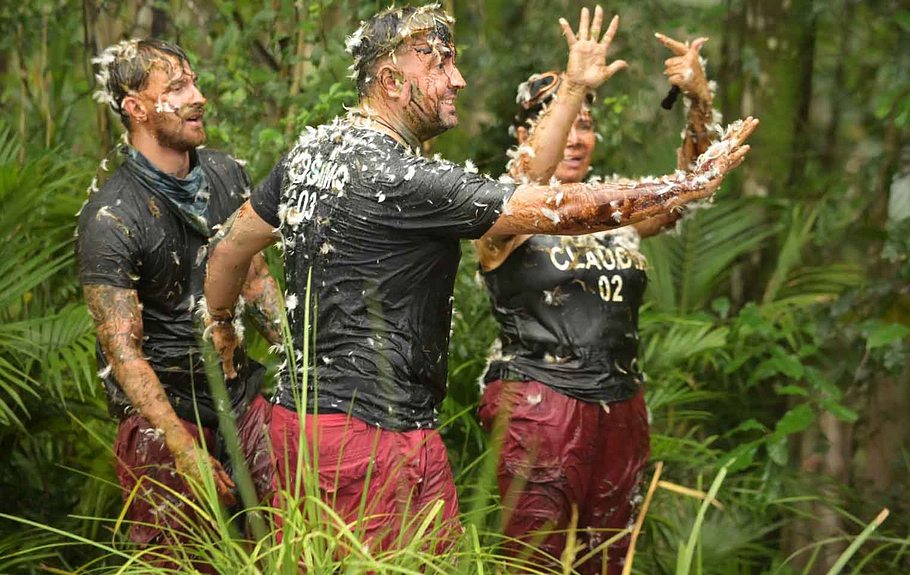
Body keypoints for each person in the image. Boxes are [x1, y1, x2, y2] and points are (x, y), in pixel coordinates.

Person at [203, 3, 756, 554]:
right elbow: (560, 209)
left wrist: (224, 324)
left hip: (346, 424)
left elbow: (230, 249)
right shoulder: (405, 176)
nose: (458, 79)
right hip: (369, 439)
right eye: (440, 65)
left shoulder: (309, 155)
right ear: (392, 80)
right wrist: (683, 184)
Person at [474, 17, 723, 574]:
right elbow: (528, 181)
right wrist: (575, 84)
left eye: (587, 122)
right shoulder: (502, 210)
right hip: (538, 403)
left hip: (620, 405)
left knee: (610, 560)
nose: (576, 135)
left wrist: (700, 103)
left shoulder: (616, 212)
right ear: (524, 136)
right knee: (529, 561)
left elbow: (690, 191)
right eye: (561, 120)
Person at [77, 39, 281, 558]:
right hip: (162, 415)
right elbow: (123, 352)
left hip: (239, 396)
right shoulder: (111, 216)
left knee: (294, 541)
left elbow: (255, 280)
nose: (199, 97)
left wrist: (305, 365)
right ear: (136, 108)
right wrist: (183, 448)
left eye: (194, 82)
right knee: (184, 561)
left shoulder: (224, 172)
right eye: (177, 88)